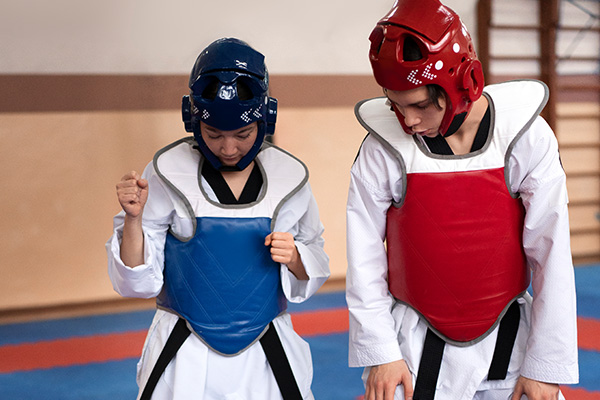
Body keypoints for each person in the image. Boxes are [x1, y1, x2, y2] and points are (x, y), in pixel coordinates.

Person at [345, 1, 579, 399]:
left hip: (512, 342)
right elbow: (363, 253)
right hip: (413, 346)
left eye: (419, 105)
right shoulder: (383, 148)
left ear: (464, 82)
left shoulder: (525, 136)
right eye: (395, 106)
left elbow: (551, 250)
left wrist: (545, 364)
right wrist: (381, 352)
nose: (409, 121)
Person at [106, 37, 330, 400]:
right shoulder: (167, 172)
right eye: (214, 134)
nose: (228, 148)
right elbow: (136, 283)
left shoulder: (289, 177)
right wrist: (132, 220)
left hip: (266, 353)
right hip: (185, 353)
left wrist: (297, 258)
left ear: (265, 119)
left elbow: (315, 258)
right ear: (193, 121)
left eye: (242, 134)